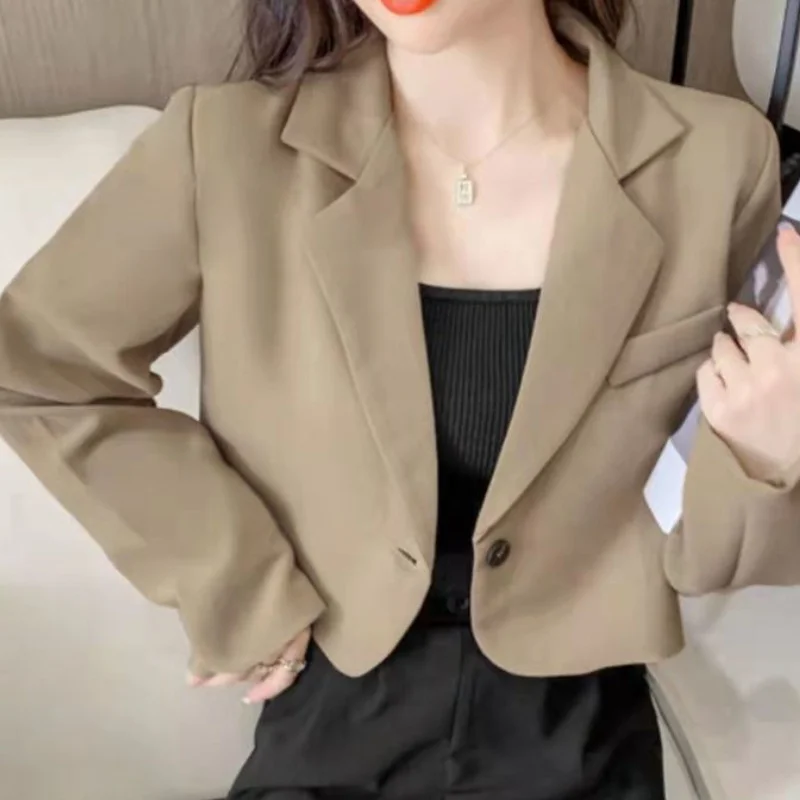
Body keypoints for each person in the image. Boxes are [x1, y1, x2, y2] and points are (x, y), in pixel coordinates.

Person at [1, 0, 800, 796]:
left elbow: (708, 553)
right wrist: (235, 579)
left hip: (580, 734)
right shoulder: (227, 144)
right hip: (330, 720)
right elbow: (35, 367)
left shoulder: (715, 159)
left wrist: (763, 456)